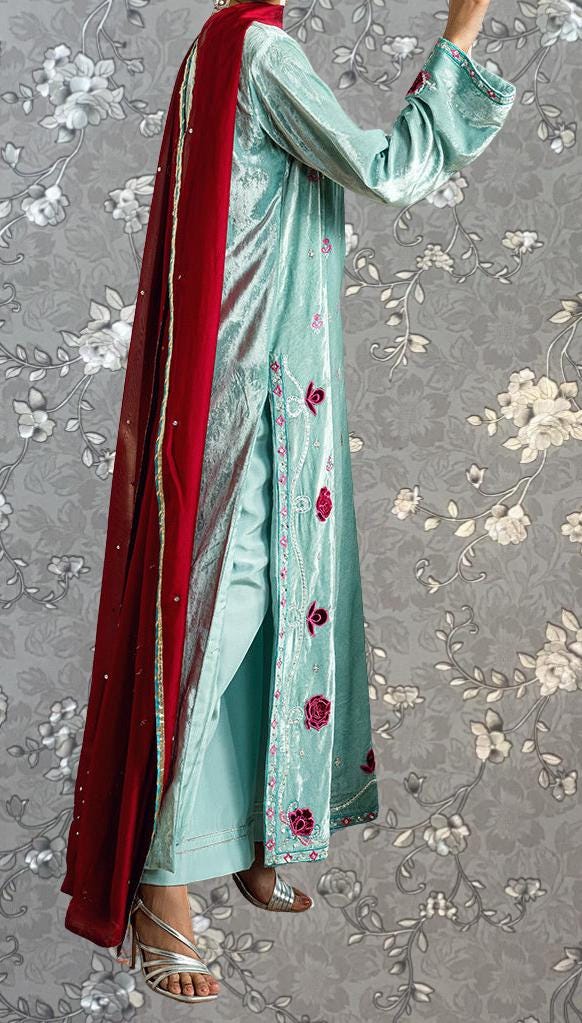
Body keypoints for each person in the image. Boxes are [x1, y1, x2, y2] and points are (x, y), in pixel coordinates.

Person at [61, 0, 516, 1005]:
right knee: (226, 609)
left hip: (269, 371)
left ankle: (249, 824)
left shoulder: (221, 49)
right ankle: (159, 879)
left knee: (267, 601)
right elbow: (388, 170)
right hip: (258, 378)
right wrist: (464, 30)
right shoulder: (257, 51)